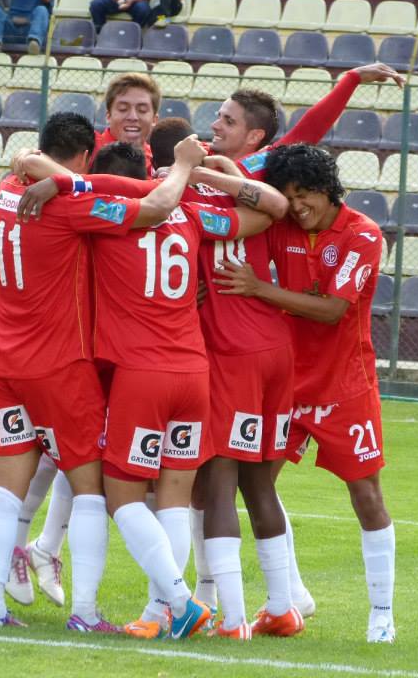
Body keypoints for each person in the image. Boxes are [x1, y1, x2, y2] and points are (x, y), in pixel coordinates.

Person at [15, 138, 287, 641]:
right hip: (193, 372)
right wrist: (208, 175)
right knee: (174, 501)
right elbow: (272, 209)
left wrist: (59, 180)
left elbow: (36, 171)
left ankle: (178, 602)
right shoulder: (193, 216)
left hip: (142, 374)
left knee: (119, 499)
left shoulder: (108, 217)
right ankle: (160, 611)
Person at [183, 64, 404, 633]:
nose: (297, 206)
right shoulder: (273, 212)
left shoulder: (361, 235)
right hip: (282, 379)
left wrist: (261, 290)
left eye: (306, 196)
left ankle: (381, 614)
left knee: (365, 492)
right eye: (292, 196)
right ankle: (283, 600)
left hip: (341, 383)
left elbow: (333, 309)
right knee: (243, 485)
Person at [0, 113, 204, 631]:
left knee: (8, 487)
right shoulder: (69, 204)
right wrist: (186, 166)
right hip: (58, 362)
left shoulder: (8, 188)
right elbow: (155, 206)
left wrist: (47, 169)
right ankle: (86, 612)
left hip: (2, 359)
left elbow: (39, 169)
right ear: (83, 157)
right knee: (91, 491)